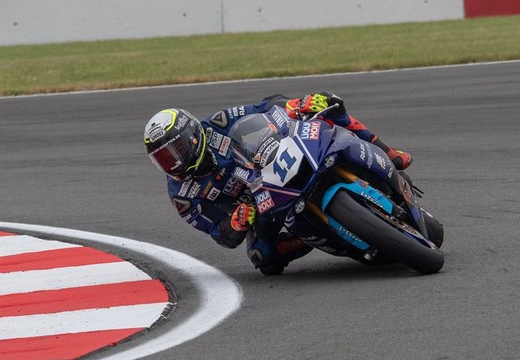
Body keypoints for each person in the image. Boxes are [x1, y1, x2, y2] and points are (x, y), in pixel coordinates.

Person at [142, 92, 413, 275]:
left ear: (192, 134)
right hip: (259, 206)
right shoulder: (182, 195)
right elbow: (218, 233)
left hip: (273, 165)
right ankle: (310, 236)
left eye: (176, 150)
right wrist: (234, 223)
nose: (173, 162)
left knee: (328, 103)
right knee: (263, 258)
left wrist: (294, 104)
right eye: (163, 159)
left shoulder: (218, 123)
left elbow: (266, 106)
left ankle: (387, 152)